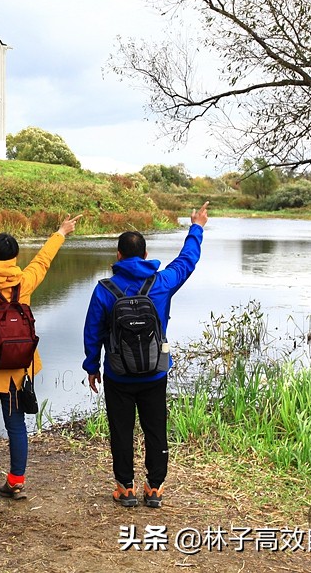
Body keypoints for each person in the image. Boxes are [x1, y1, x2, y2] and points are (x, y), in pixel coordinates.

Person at [0, 214, 82, 506]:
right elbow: (43, 261)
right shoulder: (24, 282)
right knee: (16, 425)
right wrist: (60, 232)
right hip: (19, 369)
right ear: (15, 257)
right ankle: (16, 483)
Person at [82, 202, 209, 508]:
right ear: (147, 255)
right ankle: (154, 489)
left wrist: (92, 365)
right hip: (155, 372)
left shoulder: (105, 289)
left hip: (117, 374)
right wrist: (197, 227)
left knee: (121, 430)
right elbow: (187, 260)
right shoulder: (162, 282)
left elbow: (93, 331)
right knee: (155, 429)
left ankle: (125, 489)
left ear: (118, 255)